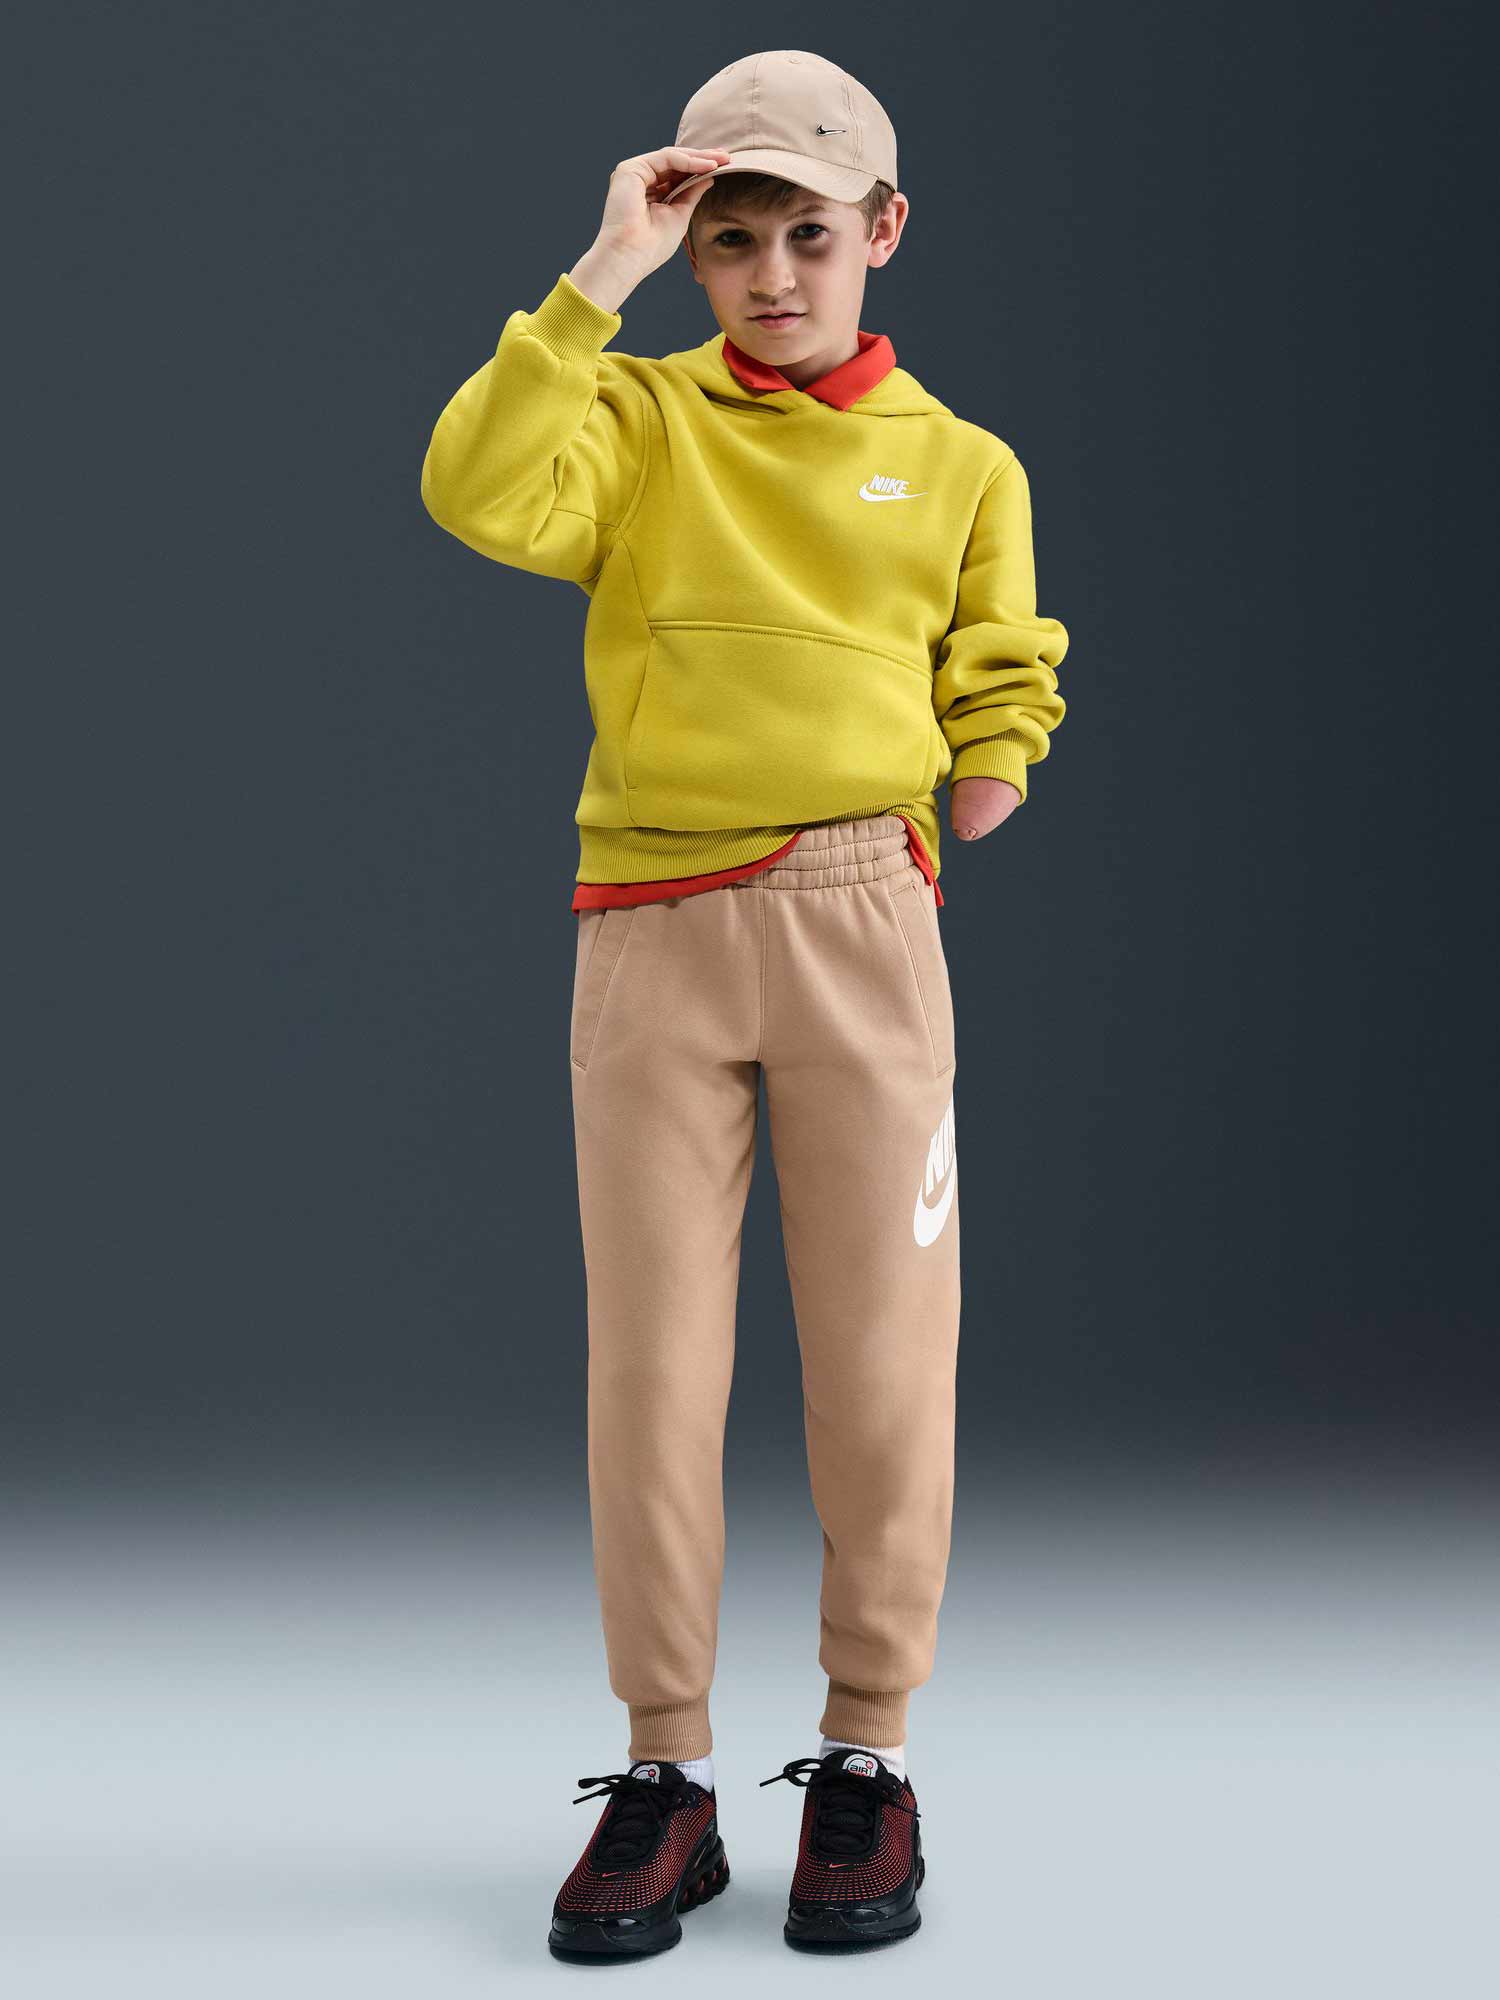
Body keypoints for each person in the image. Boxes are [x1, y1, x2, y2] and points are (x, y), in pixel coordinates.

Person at [420, 46, 1069, 1961]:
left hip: (861, 915)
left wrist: (981, 774)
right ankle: (665, 1772)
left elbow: (1002, 654)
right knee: (653, 1363)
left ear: (884, 231)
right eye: (729, 240)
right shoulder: (634, 417)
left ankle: (868, 1752)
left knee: (884, 1354)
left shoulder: (963, 461)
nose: (770, 275)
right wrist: (597, 274)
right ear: (690, 249)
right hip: (650, 925)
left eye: (808, 235)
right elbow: (473, 487)